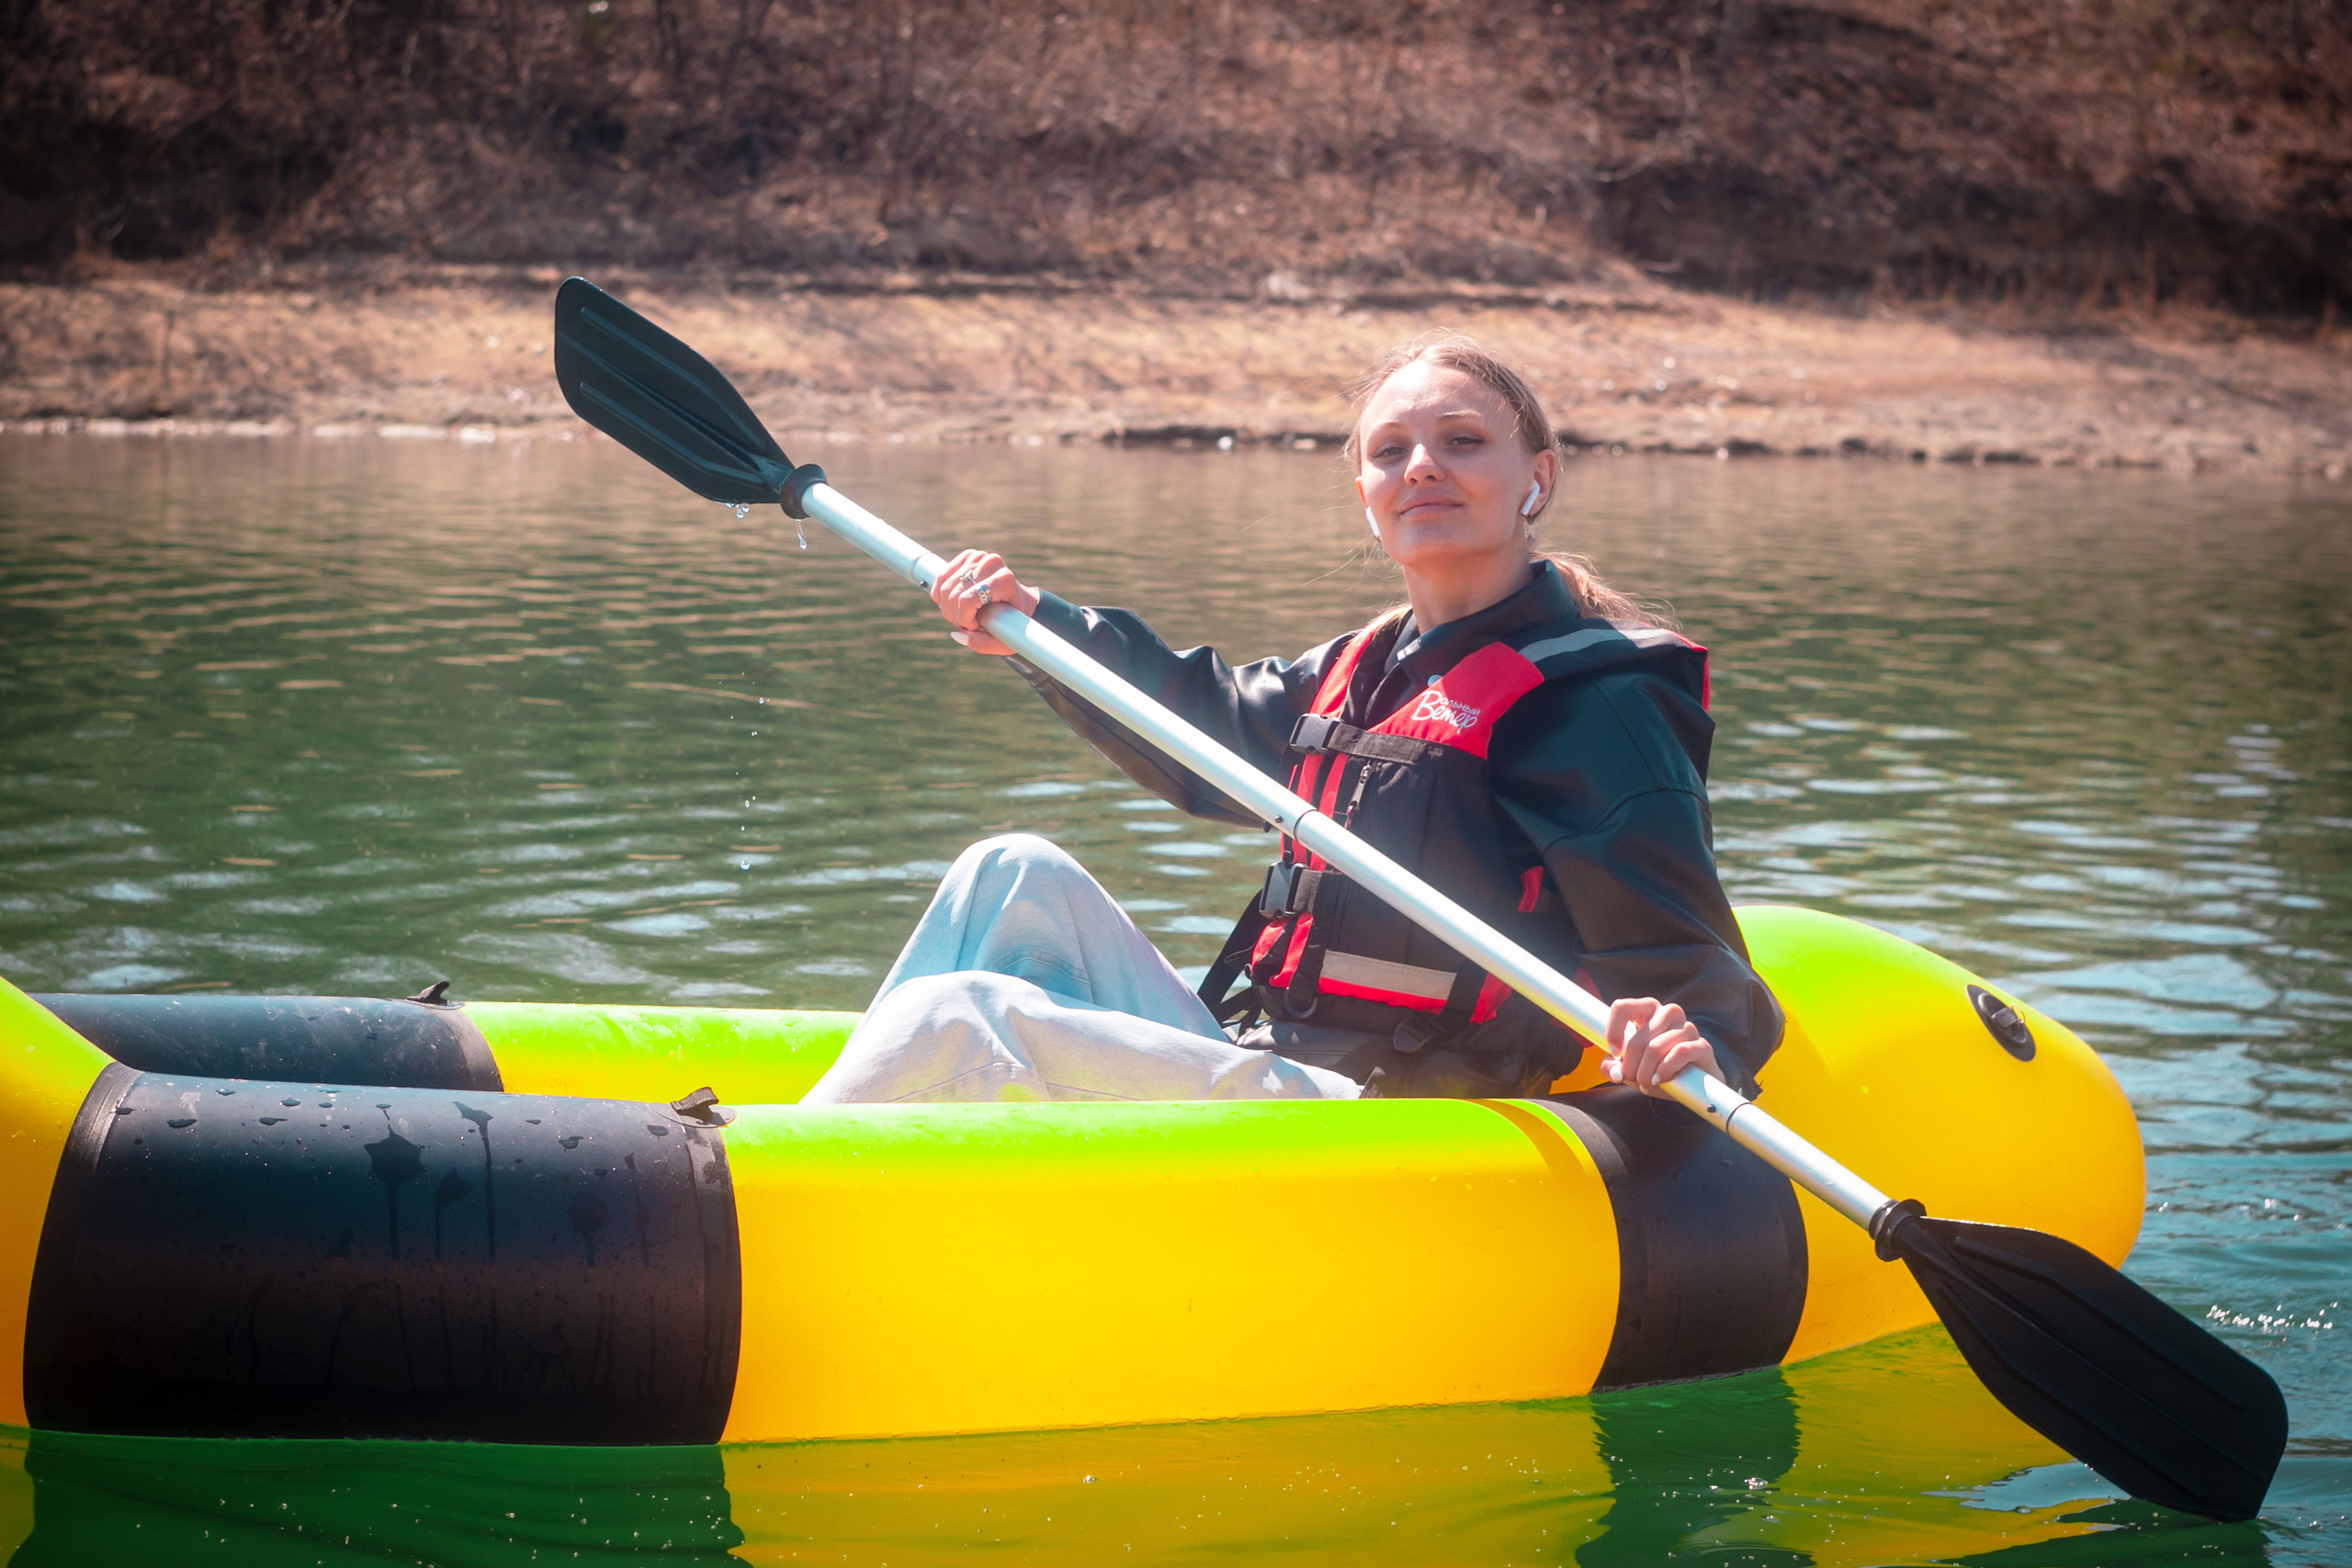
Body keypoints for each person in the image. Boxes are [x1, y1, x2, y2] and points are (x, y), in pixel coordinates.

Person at [800, 333, 1781, 1107]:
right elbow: (1193, 717)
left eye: (1463, 442)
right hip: (1269, 1058)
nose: (1423, 468)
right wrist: (1034, 625)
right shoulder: (1362, 669)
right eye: (1390, 452)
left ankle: (764, 1199)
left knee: (965, 1017)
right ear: (1364, 496)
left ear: (1538, 478)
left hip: (1401, 1113)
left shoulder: (1594, 701)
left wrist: (1697, 1040)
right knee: (1009, 870)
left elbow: (1681, 950)